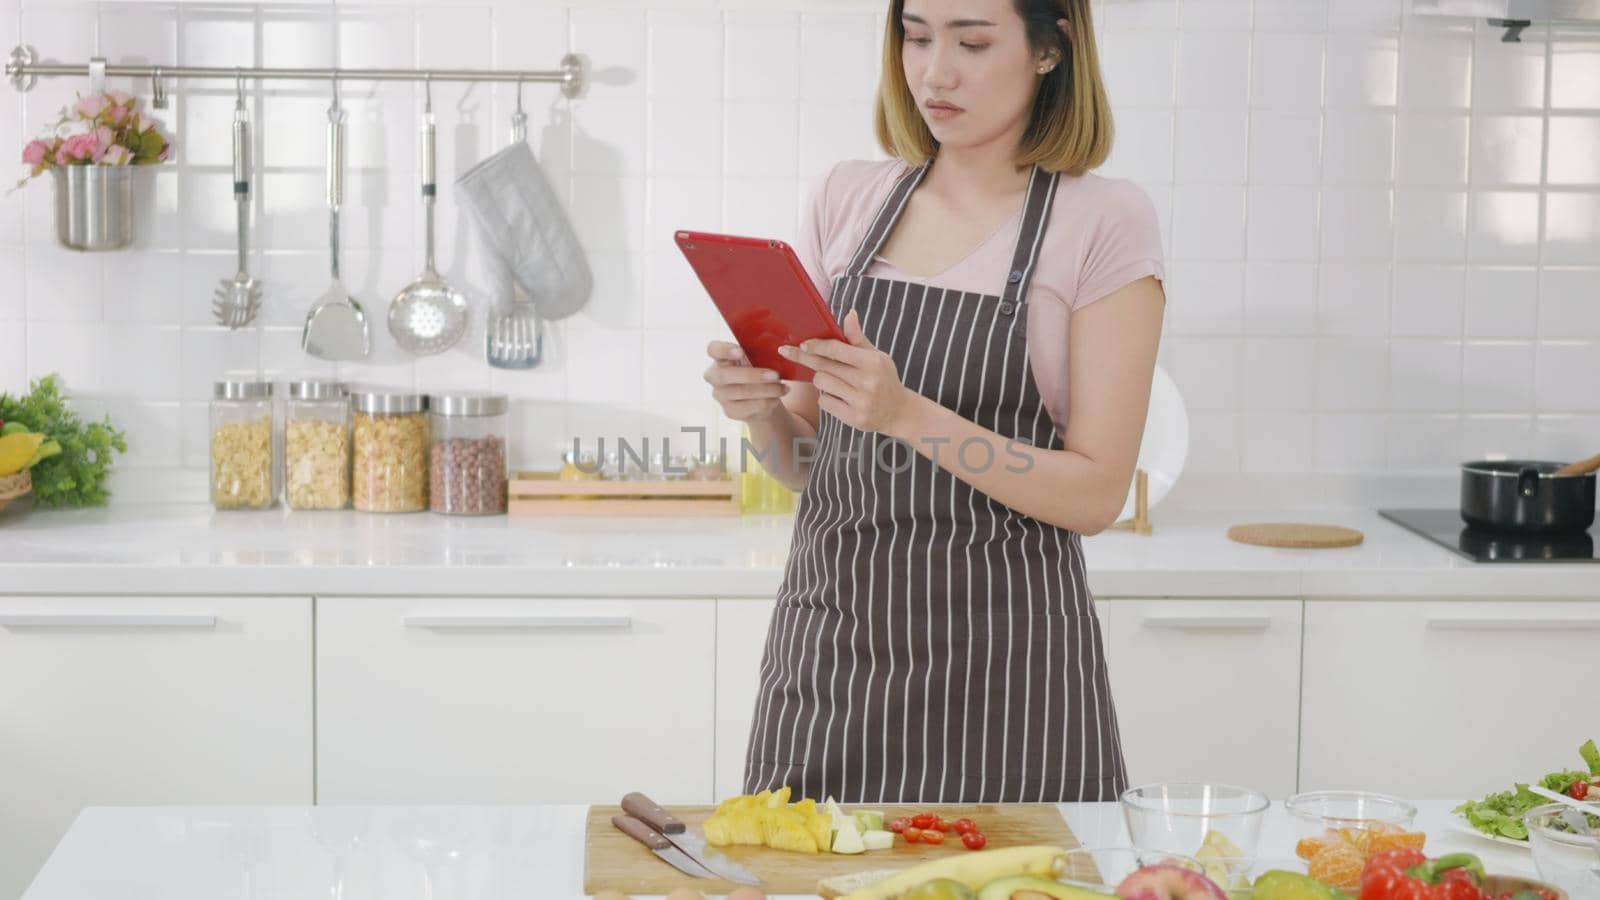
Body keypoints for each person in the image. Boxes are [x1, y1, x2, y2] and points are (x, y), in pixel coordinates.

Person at [703, 0, 1166, 804]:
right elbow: (809, 467)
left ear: (1051, 48)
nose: (934, 71)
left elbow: (1097, 496)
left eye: (973, 41)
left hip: (1008, 677)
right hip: (830, 663)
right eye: (916, 37)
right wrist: (759, 412)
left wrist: (908, 415)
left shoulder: (1101, 220)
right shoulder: (846, 200)